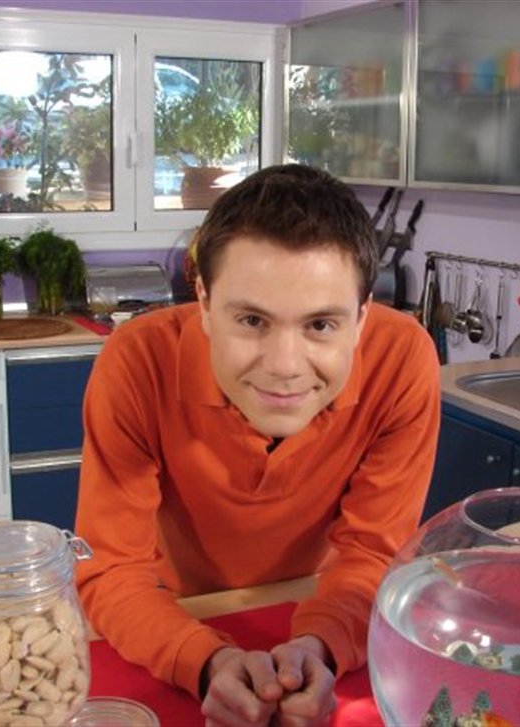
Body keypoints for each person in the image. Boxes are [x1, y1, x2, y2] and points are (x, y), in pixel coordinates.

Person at [75, 164, 441, 726]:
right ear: (203, 302)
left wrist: (321, 646)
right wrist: (206, 662)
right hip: (172, 615)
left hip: (329, 604)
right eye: (251, 320)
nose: (285, 367)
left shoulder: (404, 360)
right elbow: (111, 569)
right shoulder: (136, 361)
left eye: (321, 325)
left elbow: (373, 552)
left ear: (363, 317)